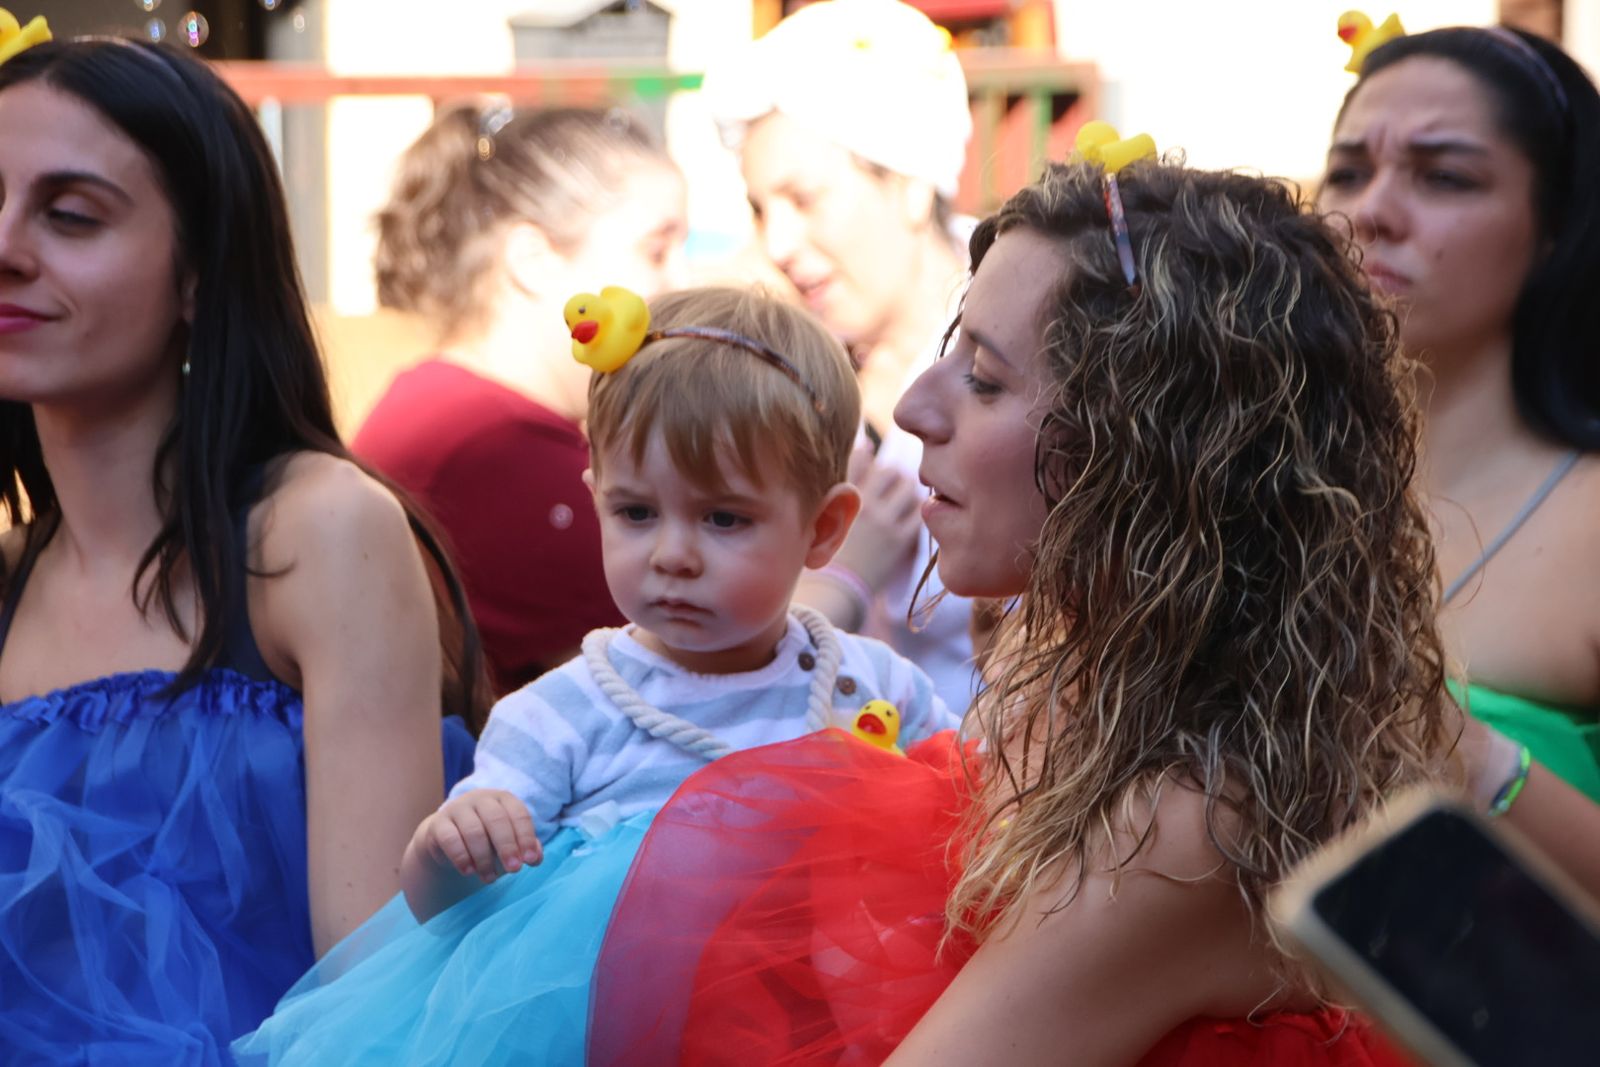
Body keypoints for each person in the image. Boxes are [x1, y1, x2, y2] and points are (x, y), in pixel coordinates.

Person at [590, 152, 1454, 1066]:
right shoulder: (1053, 651)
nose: (915, 408)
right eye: (949, 356)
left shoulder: (1184, 820)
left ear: (1146, 447)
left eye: (985, 378)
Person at [233, 285, 960, 1065]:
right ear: (596, 498)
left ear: (823, 527)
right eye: (636, 512)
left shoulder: (868, 684)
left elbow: (961, 809)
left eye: (724, 518)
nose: (673, 554)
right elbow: (442, 915)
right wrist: (447, 852)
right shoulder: (566, 713)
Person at [0, 31, 484, 1064]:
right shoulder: (8, 577)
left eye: (71, 214)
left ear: (200, 274)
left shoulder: (318, 530)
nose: (6, 246)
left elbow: (372, 1001)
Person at [1317, 25, 1600, 800]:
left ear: (1555, 226)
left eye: (1443, 177)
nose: (1372, 211)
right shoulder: (1257, 496)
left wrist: (1475, 757)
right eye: (1347, 172)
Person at [354, 104, 688, 694]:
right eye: (656, 251)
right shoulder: (501, 453)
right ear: (533, 260)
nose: (678, 284)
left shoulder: (441, 404)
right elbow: (681, 693)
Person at [702, 0, 978, 713]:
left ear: (909, 185)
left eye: (804, 199)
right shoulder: (777, 369)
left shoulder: (1041, 350)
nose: (777, 244)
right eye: (760, 209)